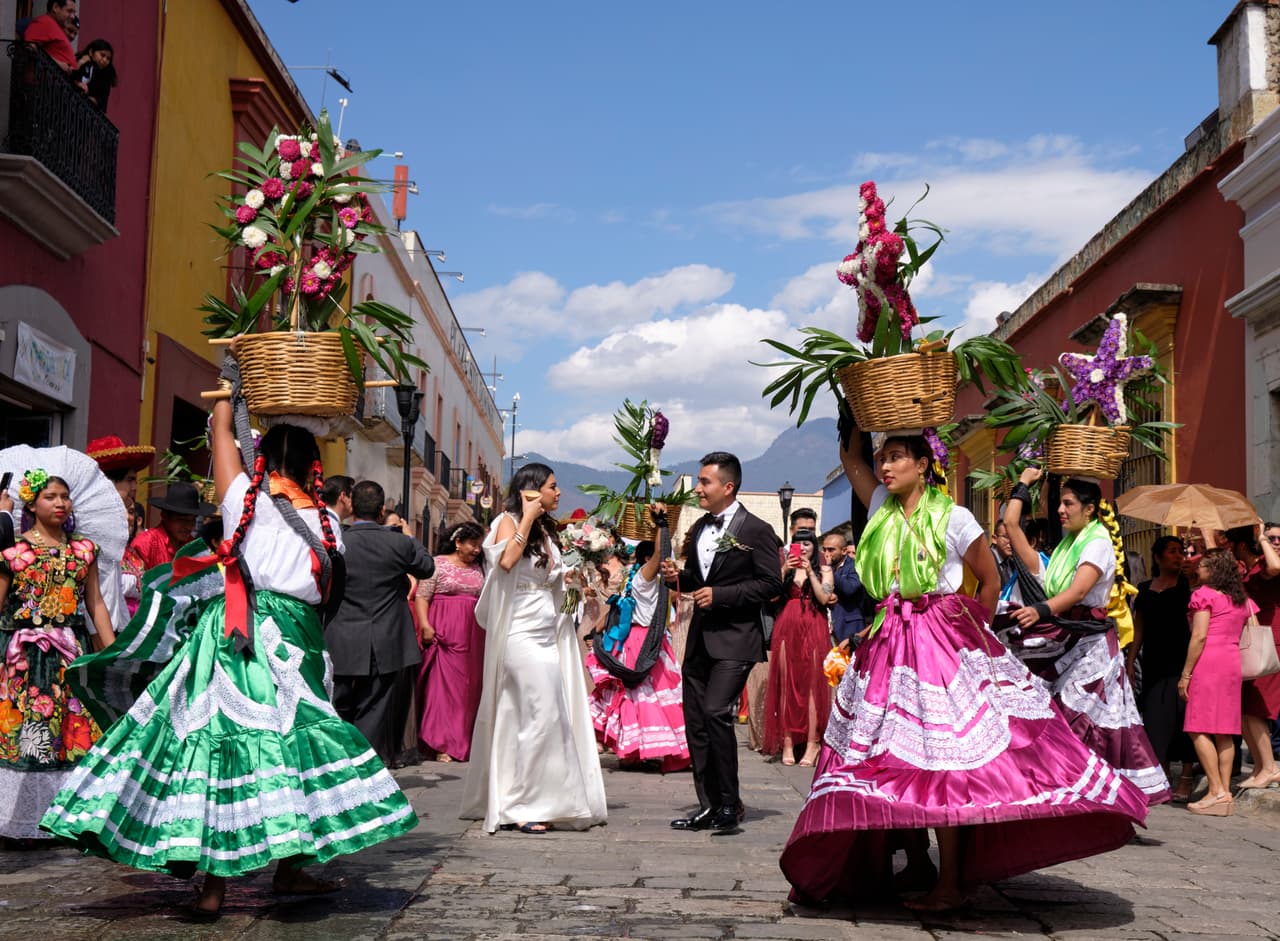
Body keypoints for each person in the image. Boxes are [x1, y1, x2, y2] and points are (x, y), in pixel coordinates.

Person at [42, 379, 417, 915]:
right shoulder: (329, 522)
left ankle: (214, 887)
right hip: (298, 640)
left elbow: (220, 432)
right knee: (297, 751)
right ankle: (290, 869)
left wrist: (228, 392)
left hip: (235, 634)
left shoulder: (247, 499)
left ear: (262, 459)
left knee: (219, 746)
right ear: (316, 466)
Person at [780, 430, 1149, 912]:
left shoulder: (954, 517)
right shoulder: (879, 509)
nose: (886, 467)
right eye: (883, 458)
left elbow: (990, 579)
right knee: (884, 759)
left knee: (944, 759)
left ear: (923, 463)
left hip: (938, 644)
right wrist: (850, 404)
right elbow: (850, 456)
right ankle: (909, 863)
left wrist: (972, 637)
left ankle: (951, 881)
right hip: (888, 641)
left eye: (896, 458)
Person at [1002, 468, 1169, 804]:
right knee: (1059, 719)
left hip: (1091, 649)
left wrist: (1041, 610)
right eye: (1061, 503)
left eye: (1068, 504)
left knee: (1085, 723)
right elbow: (1010, 525)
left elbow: (1079, 591)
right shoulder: (1065, 548)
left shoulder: (1098, 543)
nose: (1061, 510)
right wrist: (1023, 484)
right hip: (1066, 643)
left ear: (1089, 509)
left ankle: (1099, 798)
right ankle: (1076, 795)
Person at [461, 463, 606, 834]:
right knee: (541, 714)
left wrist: (573, 581)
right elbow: (506, 563)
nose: (559, 493)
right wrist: (526, 517)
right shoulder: (509, 521)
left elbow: (551, 583)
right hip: (520, 635)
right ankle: (521, 804)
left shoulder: (547, 532)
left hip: (546, 632)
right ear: (532, 490)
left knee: (534, 714)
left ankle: (539, 797)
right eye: (553, 487)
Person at [660, 452, 783, 835]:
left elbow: (770, 584)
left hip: (737, 639)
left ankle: (730, 804)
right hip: (700, 640)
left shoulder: (757, 530)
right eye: (698, 481)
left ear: (727, 487)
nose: (698, 488)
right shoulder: (698, 529)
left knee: (716, 712)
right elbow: (697, 581)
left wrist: (722, 595)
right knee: (695, 721)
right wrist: (674, 577)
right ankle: (708, 805)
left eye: (704, 482)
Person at [0, 470, 115, 843]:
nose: (61, 503)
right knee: (25, 734)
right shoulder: (12, 553)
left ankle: (66, 817)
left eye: (65, 496)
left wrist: (111, 656)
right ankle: (20, 822)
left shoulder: (83, 550)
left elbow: (95, 603)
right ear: (31, 504)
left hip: (71, 655)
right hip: (22, 659)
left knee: (73, 732)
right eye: (50, 496)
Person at [326, 480, 434, 766]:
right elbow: (427, 567)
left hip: (341, 640)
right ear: (382, 509)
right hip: (385, 643)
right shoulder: (399, 543)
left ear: (351, 505)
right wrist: (410, 538)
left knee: (337, 709)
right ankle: (366, 771)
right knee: (375, 713)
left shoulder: (337, 540)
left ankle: (336, 768)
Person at [584, 509, 691, 773]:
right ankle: (635, 750)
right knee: (636, 697)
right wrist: (596, 632)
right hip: (633, 640)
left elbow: (659, 554)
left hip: (643, 640)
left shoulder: (644, 578)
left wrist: (661, 527)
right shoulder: (636, 577)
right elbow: (615, 609)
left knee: (644, 697)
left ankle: (645, 750)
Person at [1179, 551, 1258, 816]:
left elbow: (1199, 636)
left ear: (1213, 570)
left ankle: (1215, 791)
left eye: (1201, 565)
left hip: (1209, 662)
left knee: (1196, 727)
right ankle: (1224, 793)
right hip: (1232, 661)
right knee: (1225, 731)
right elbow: (1254, 625)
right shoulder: (1241, 598)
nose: (1196, 568)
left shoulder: (1203, 595)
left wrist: (1186, 674)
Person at [415, 520, 487, 763]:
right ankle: (441, 743)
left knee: (469, 688)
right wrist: (425, 624)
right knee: (443, 689)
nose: (476, 550)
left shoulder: (480, 569)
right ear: (458, 542)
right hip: (443, 631)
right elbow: (423, 597)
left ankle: (463, 740)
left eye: (479, 546)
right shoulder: (437, 564)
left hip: (473, 635)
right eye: (472, 544)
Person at [1131, 536, 1196, 801]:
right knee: (1156, 719)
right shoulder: (1144, 589)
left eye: (1180, 552)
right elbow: (1139, 626)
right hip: (1154, 662)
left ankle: (1187, 776)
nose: (1178, 556)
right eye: (1172, 552)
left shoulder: (1188, 587)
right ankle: (1161, 773)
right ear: (1157, 557)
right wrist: (1131, 658)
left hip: (1182, 660)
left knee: (1184, 718)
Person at [763, 531, 833, 766]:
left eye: (807, 544)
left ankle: (813, 743)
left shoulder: (824, 571)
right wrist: (783, 570)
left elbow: (824, 598)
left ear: (814, 547)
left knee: (813, 686)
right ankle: (788, 741)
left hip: (814, 627)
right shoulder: (785, 569)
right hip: (787, 626)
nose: (802, 548)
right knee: (786, 685)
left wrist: (811, 571)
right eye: (798, 544)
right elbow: (770, 597)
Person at [1225, 523, 1280, 789]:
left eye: (1232, 545)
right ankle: (1260, 767)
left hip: (1270, 642)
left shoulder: (1263, 566)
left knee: (1256, 709)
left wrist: (1261, 536)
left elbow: (1276, 567)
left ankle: (1269, 767)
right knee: (1246, 709)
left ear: (1242, 546)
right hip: (1254, 642)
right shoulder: (1247, 570)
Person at [126, 481, 214, 572]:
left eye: (192, 520)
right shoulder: (145, 544)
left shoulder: (194, 547)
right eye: (182, 520)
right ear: (165, 516)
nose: (188, 527)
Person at [823, 529, 865, 648]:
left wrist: (829, 569)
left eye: (831, 550)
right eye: (824, 549)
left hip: (848, 628)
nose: (827, 553)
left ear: (844, 551)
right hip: (827, 627)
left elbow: (849, 588)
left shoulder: (855, 566)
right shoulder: (822, 567)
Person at [22, 0, 77, 72]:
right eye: (69, 11)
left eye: (74, 13)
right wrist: (56, 63)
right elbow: (29, 47)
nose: (73, 16)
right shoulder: (44, 22)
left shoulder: (57, 27)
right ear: (55, 7)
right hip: (42, 81)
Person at [73, 38, 115, 112]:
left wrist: (87, 97)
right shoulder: (80, 60)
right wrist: (81, 62)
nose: (105, 60)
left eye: (108, 58)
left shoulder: (106, 77)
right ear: (91, 52)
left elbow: (102, 102)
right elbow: (70, 74)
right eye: (102, 55)